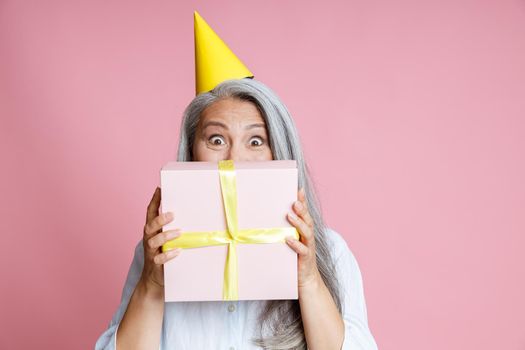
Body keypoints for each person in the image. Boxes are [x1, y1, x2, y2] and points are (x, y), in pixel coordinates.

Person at [96, 12, 378, 350]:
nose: (234, 159)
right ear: (192, 152)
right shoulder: (157, 255)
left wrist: (308, 281)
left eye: (256, 141)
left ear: (279, 152)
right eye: (216, 139)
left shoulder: (331, 252)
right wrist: (152, 287)